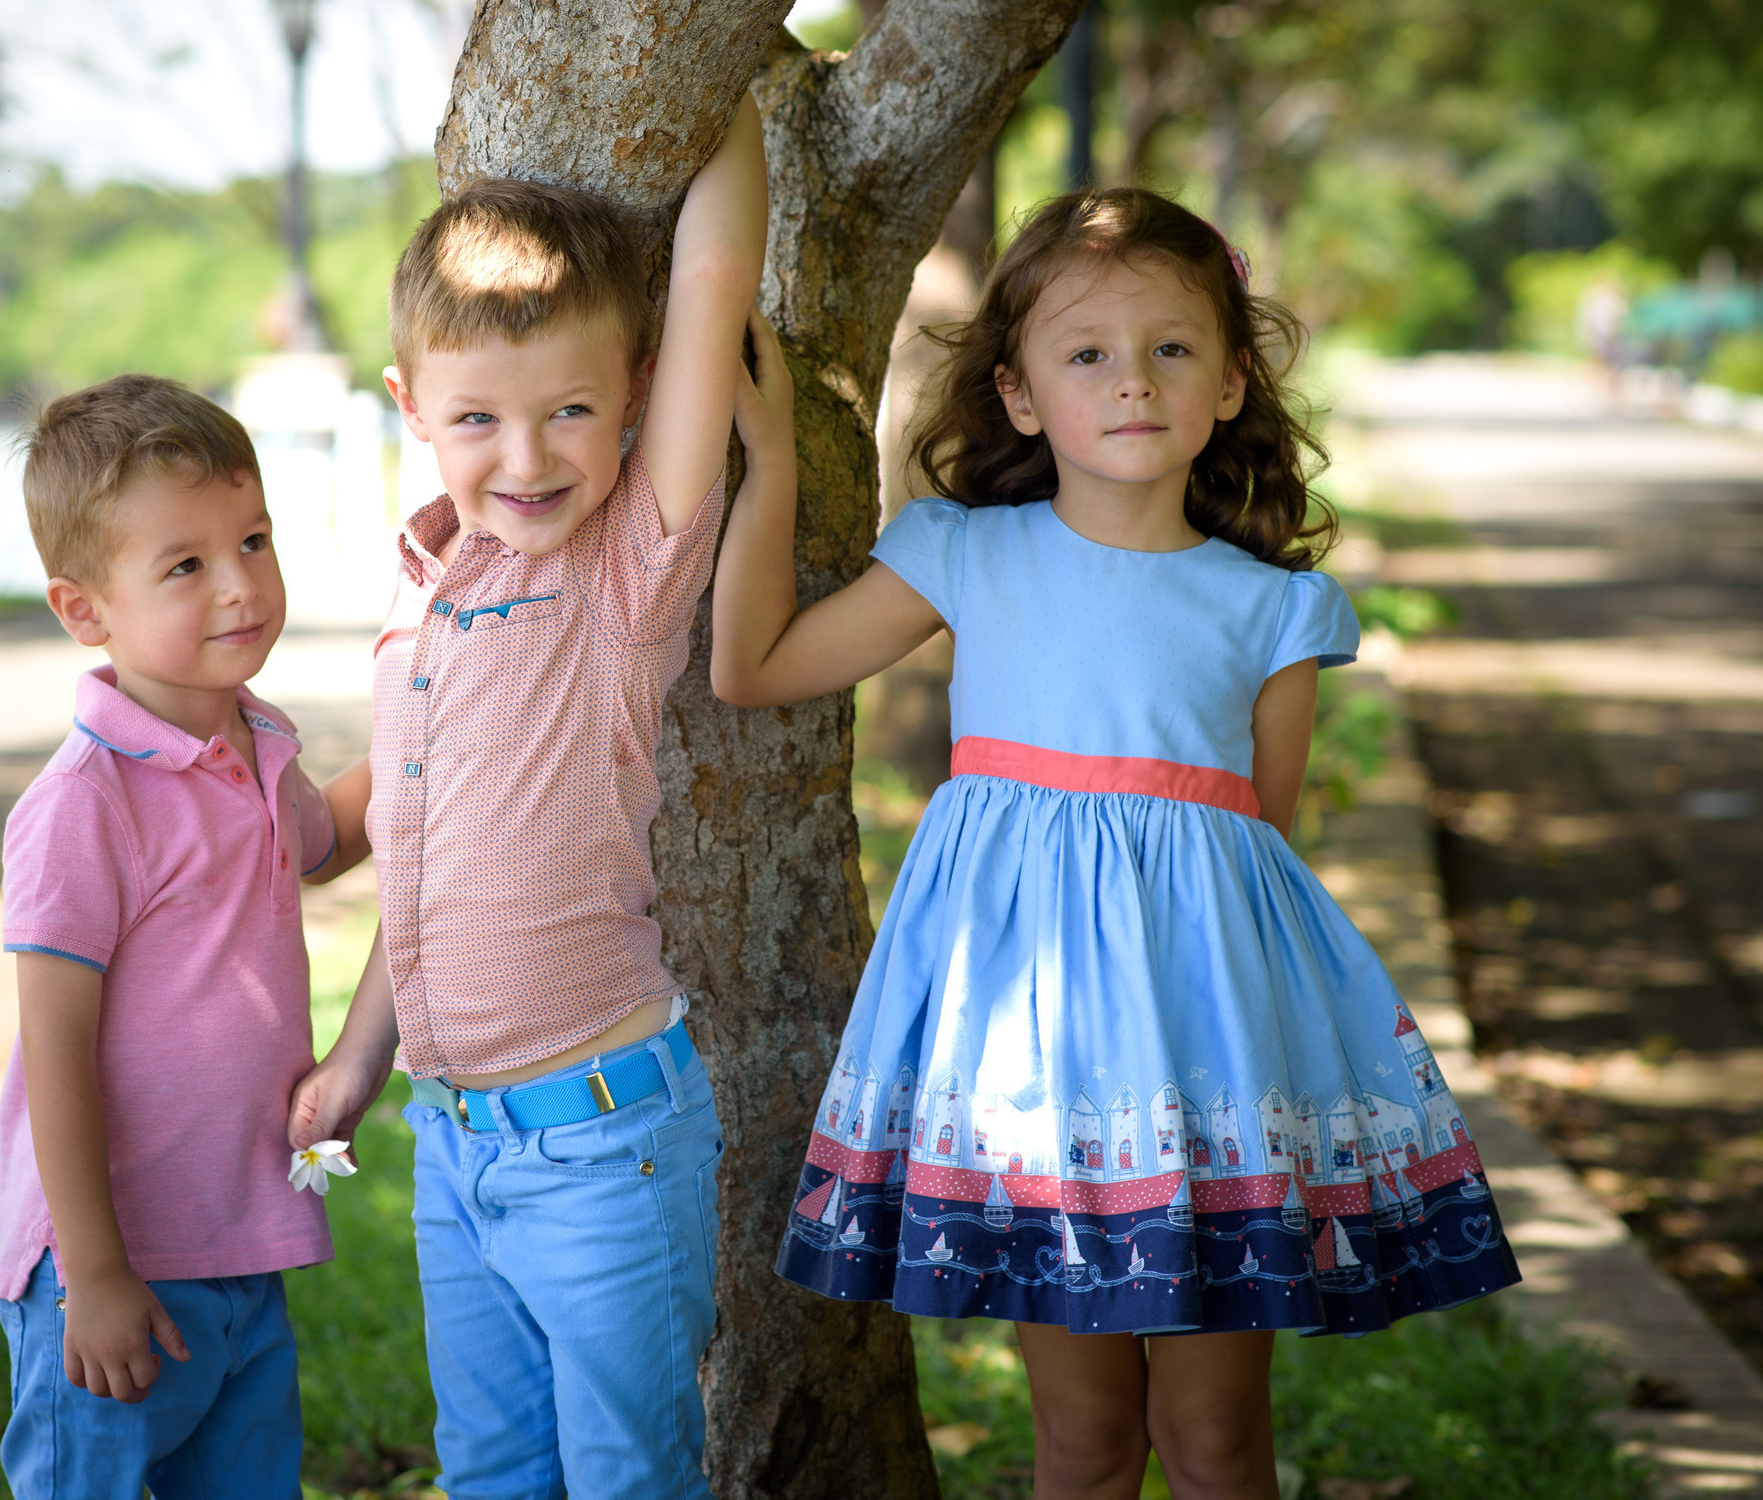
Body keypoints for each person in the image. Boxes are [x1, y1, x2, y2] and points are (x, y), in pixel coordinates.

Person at [710, 189, 1520, 1500]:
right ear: (1022, 394)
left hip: (1205, 1079)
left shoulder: (1276, 611)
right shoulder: (965, 555)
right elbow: (753, 667)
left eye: (1171, 348)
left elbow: (1250, 851)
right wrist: (768, 456)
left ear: (1230, 383)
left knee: (1215, 1440)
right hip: (1028, 1081)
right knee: (1082, 1443)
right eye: (1086, 352)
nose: (1131, 382)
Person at [285, 97, 769, 1500]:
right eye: (479, 418)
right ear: (410, 411)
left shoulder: (622, 574)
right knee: (492, 1470)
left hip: (602, 1143)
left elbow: (714, 280)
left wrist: (725, 88)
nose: (530, 456)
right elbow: (425, 881)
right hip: (455, 1152)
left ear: (631, 393)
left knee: (629, 1476)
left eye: (573, 410)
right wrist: (356, 1059)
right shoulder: (419, 598)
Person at [0, 374, 372, 1500]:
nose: (241, 583)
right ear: (84, 609)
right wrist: (96, 1273)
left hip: (241, 1239)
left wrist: (433, 734)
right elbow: (53, 1052)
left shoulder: (255, 745)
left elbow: (327, 835)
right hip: (109, 1266)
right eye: (186, 564)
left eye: (251, 539)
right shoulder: (83, 803)